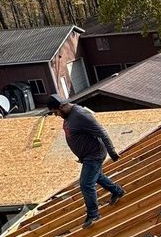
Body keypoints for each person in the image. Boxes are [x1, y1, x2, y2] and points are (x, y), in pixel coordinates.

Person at [47, 94, 124, 228]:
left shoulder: (81, 115)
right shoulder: (68, 115)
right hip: (87, 156)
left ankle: (93, 215)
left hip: (94, 155)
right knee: (97, 177)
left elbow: (102, 132)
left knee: (86, 184)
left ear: (61, 106)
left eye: (56, 112)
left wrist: (112, 152)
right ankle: (117, 191)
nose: (56, 115)